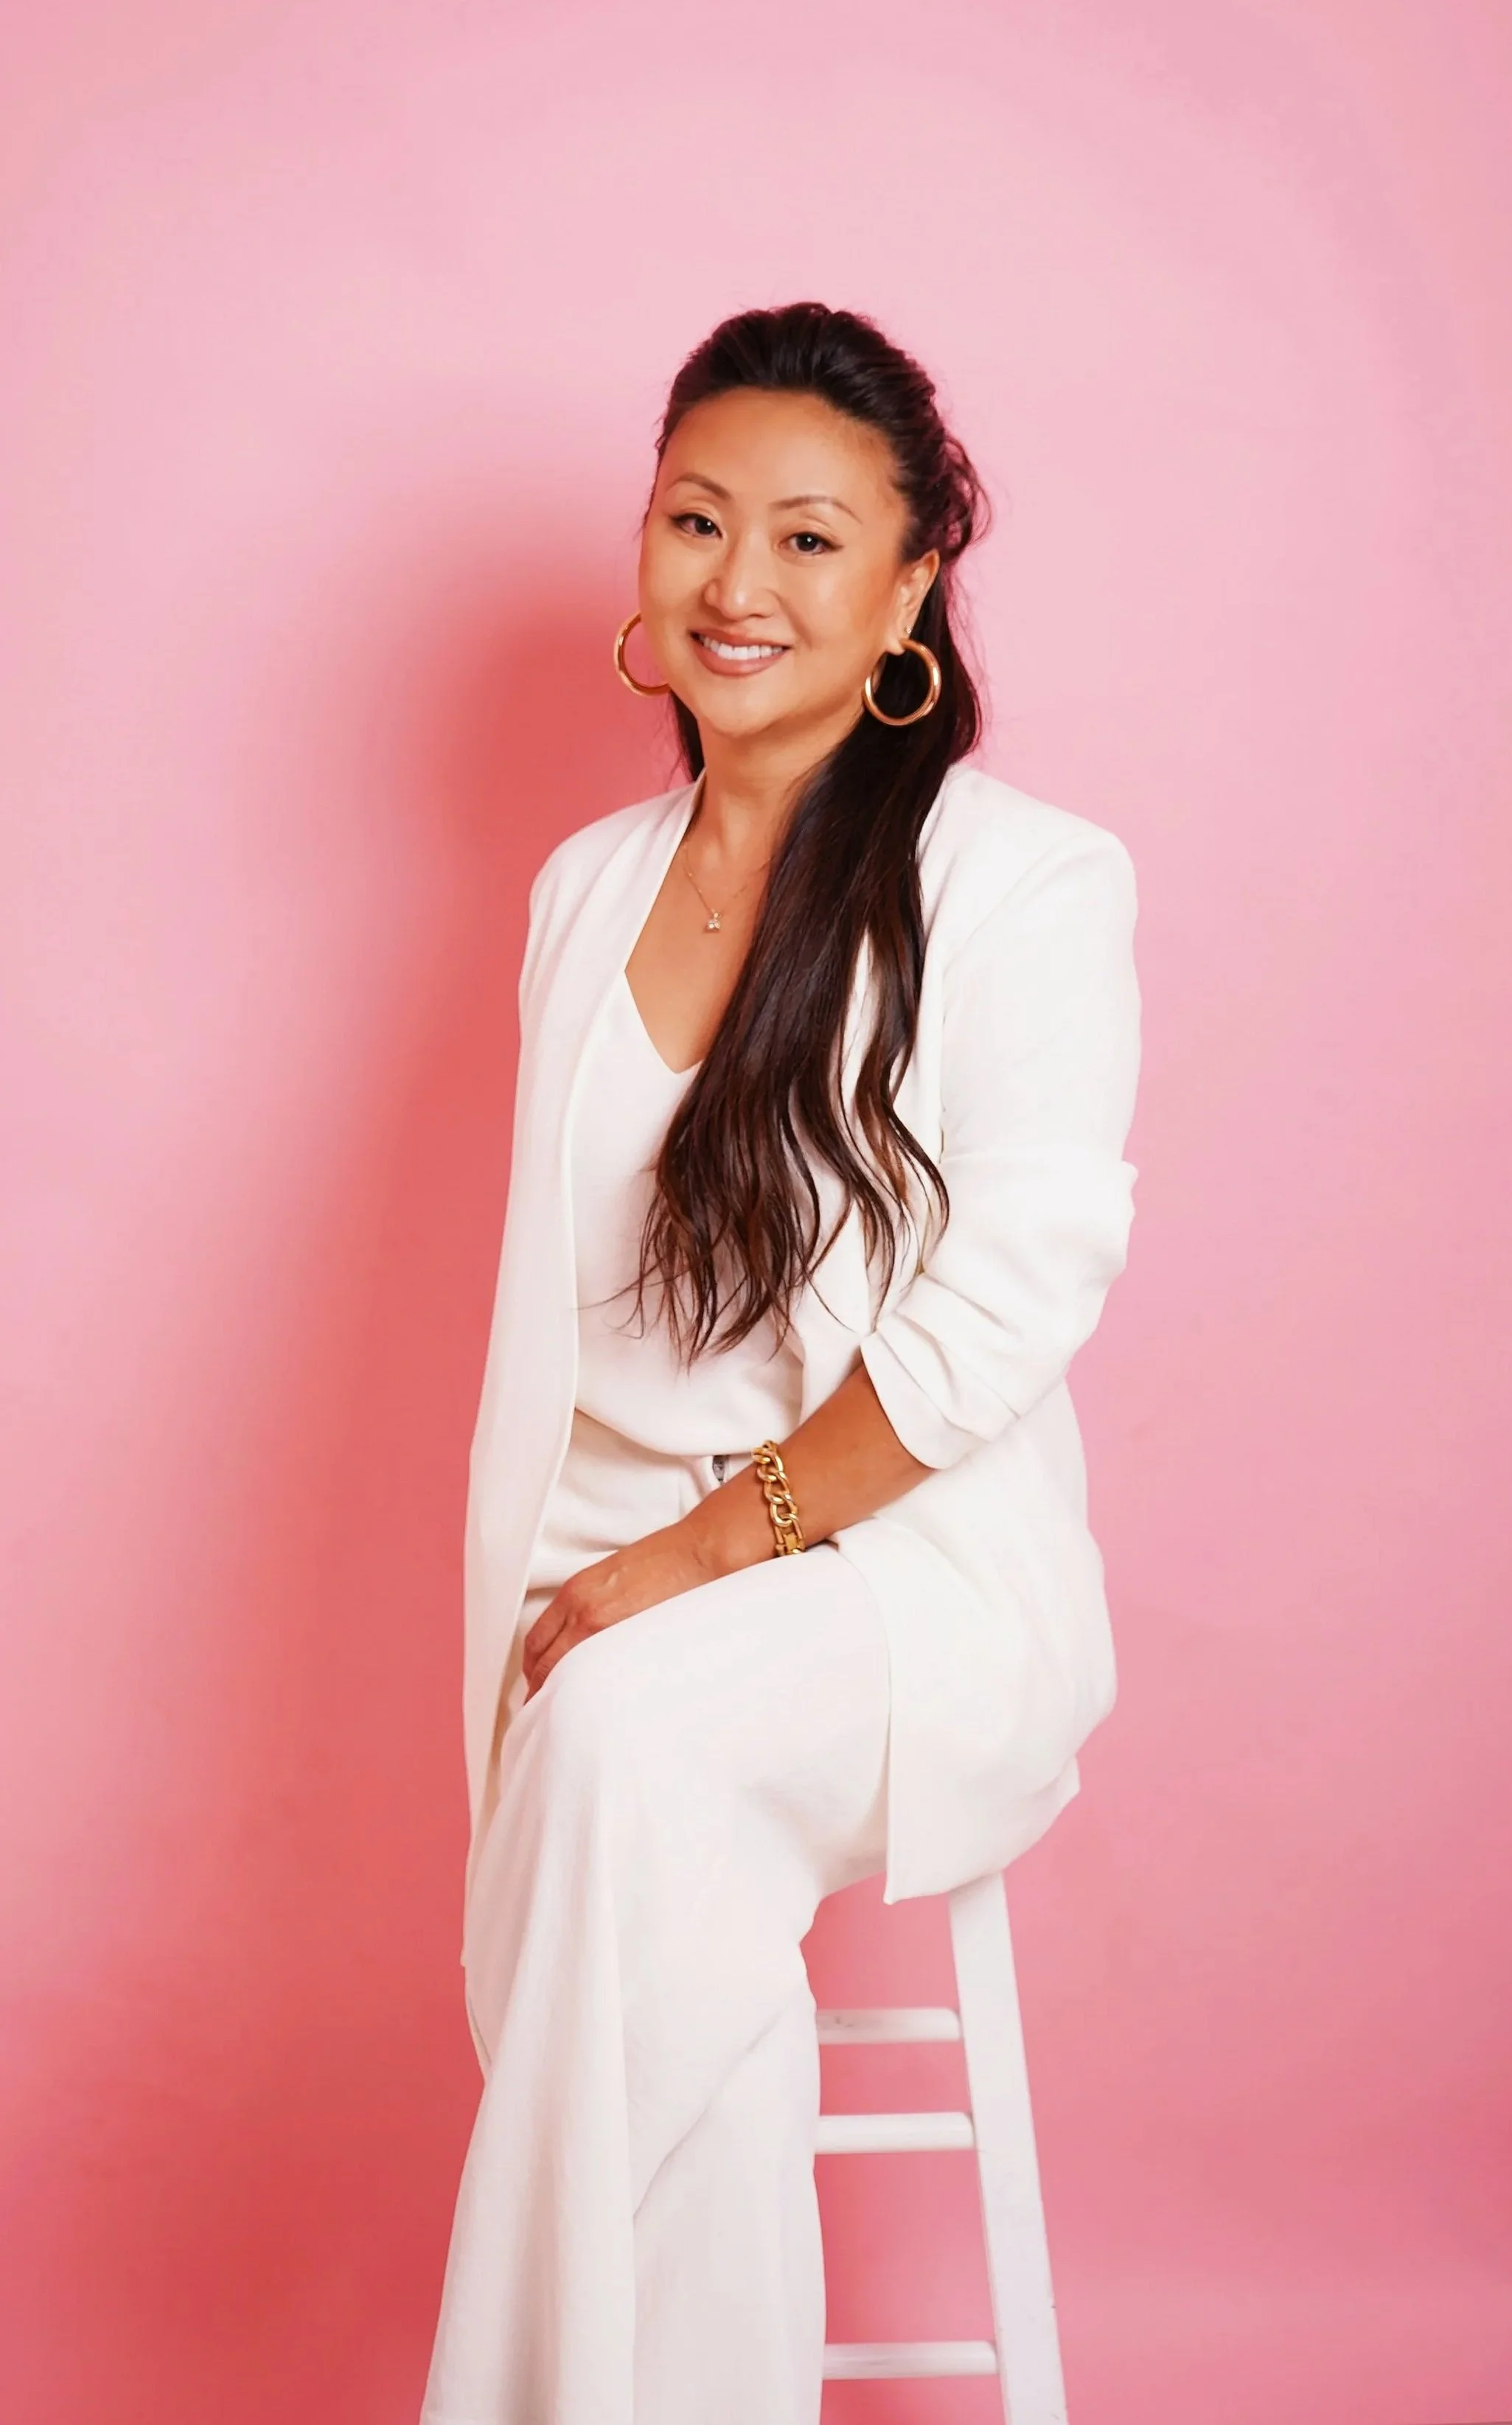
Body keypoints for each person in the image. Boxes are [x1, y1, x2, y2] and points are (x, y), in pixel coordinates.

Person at [419, 300, 1142, 2425]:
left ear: (914, 587)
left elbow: (1014, 1293)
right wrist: (585, 1594)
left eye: (812, 540)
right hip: (598, 1589)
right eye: (698, 522)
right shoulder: (583, 890)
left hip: (890, 1591)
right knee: (647, 1860)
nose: (741, 585)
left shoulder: (1019, 883)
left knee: (637, 1745)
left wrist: (694, 1562)